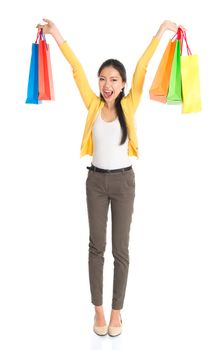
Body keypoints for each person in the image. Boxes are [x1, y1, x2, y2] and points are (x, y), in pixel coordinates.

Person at [36, 18, 182, 337]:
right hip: (96, 183)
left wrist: (160, 33)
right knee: (96, 247)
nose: (106, 84)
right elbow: (75, 69)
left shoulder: (129, 106)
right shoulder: (92, 104)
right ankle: (98, 311)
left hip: (124, 183)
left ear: (122, 83)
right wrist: (57, 34)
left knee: (120, 250)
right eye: (102, 79)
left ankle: (117, 312)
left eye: (113, 79)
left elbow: (143, 68)